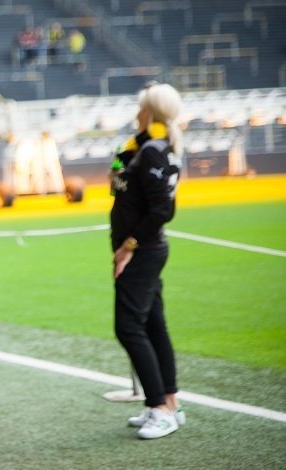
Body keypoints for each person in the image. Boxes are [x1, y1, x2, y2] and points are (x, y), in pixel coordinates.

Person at [110, 82, 185, 439]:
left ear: (151, 112)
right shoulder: (142, 147)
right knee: (154, 324)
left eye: (141, 108)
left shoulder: (154, 151)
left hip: (142, 250)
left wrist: (128, 245)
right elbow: (117, 180)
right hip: (140, 248)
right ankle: (170, 402)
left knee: (128, 326)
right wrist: (125, 152)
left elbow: (162, 209)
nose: (136, 113)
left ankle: (159, 407)